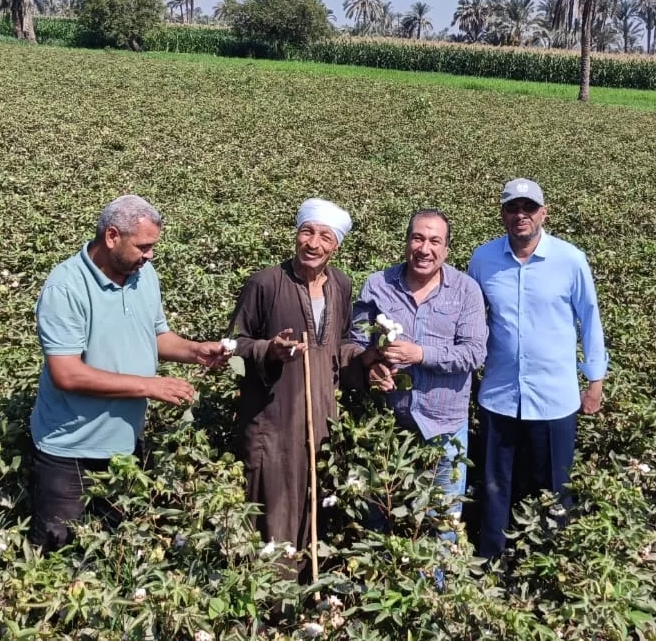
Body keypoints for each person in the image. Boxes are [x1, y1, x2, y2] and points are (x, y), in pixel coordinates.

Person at [29, 194, 231, 554]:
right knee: (58, 559)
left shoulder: (143, 275)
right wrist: (148, 387)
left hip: (124, 447)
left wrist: (195, 350)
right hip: (69, 451)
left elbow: (156, 337)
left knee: (115, 553)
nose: (150, 255)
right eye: (144, 246)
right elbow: (67, 374)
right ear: (111, 237)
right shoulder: (66, 287)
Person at [225, 198, 370, 571]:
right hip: (272, 422)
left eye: (325, 237)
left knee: (314, 503)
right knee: (270, 509)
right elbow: (232, 346)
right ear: (296, 235)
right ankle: (265, 600)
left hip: (320, 420)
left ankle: (306, 597)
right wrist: (268, 350)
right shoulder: (265, 283)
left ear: (335, 246)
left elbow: (338, 349)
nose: (313, 243)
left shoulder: (341, 284)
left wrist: (372, 359)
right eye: (307, 232)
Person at [467, 178, 608, 561]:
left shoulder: (570, 259)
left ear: (544, 213)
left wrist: (595, 381)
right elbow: (471, 319)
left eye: (529, 208)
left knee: (552, 486)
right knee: (496, 486)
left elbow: (589, 319)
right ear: (503, 214)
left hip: (554, 399)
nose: (521, 215)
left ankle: (548, 564)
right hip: (499, 394)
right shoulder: (483, 260)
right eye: (513, 208)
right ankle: (491, 563)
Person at [351, 209, 488, 533]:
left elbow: (473, 353)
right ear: (406, 242)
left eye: (434, 241)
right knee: (379, 517)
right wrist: (371, 364)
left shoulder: (465, 290)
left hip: (443, 428)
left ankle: (437, 584)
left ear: (446, 250)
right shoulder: (377, 286)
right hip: (388, 426)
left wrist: (420, 354)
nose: (425, 249)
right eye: (418, 238)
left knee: (441, 522)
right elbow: (355, 341)